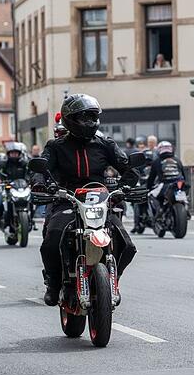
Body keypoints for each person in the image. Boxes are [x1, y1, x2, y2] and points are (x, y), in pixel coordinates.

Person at [32, 94, 141, 306]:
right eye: (84, 117)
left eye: (92, 117)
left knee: (127, 245)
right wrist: (41, 183)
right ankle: (53, 283)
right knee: (52, 238)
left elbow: (126, 166)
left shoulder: (105, 144)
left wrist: (124, 186)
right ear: (69, 119)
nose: (89, 122)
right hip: (67, 200)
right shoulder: (56, 146)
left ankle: (112, 279)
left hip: (99, 202)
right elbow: (42, 167)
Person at [145, 141, 187, 210]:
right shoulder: (178, 160)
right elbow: (183, 174)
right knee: (184, 197)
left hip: (165, 184)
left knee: (152, 195)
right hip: (180, 183)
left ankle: (160, 211)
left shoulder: (157, 161)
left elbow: (151, 178)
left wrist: (148, 188)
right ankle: (186, 209)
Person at [0, 142, 31, 233]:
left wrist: (30, 180)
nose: (14, 154)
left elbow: (30, 172)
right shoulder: (4, 163)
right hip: (8, 187)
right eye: (12, 153)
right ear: (8, 153)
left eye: (16, 153)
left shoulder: (24, 163)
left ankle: (31, 219)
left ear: (19, 153)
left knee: (32, 199)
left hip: (22, 187)